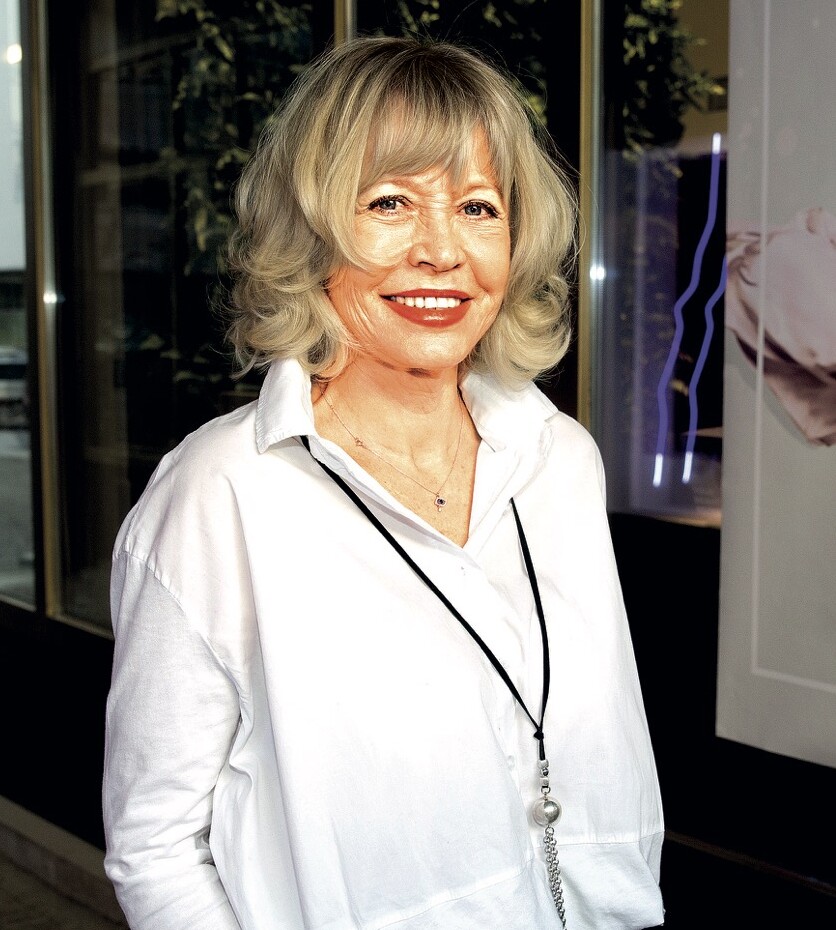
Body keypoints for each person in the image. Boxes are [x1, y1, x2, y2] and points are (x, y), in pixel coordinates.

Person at [103, 35, 665, 930]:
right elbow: (157, 846)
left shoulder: (560, 459)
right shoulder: (221, 495)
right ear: (311, 233)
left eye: (478, 207)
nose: (442, 250)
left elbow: (603, 766)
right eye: (390, 202)